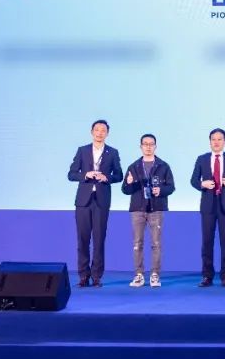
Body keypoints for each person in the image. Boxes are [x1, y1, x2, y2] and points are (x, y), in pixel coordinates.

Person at [67, 119, 123, 287]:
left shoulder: (112, 152)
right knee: (83, 239)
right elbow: (71, 174)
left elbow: (119, 175)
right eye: (97, 130)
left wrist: (107, 177)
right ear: (92, 132)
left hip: (101, 201)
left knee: (99, 240)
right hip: (83, 201)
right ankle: (83, 276)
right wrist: (85, 175)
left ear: (107, 133)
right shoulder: (82, 150)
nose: (100, 133)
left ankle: (97, 276)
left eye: (103, 130)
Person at [190, 128, 225, 287]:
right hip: (208, 205)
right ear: (210, 142)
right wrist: (202, 184)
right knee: (207, 242)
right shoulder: (202, 159)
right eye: (213, 139)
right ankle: (207, 276)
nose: (216, 142)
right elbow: (193, 180)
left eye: (219, 139)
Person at [121, 133, 176, 288]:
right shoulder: (133, 167)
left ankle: (155, 275)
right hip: (138, 209)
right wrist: (129, 183)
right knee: (137, 243)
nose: (148, 147)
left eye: (151, 144)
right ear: (141, 147)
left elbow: (171, 187)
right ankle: (138, 275)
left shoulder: (163, 166)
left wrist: (161, 190)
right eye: (145, 144)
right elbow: (125, 190)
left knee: (156, 244)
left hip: (156, 209)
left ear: (155, 146)